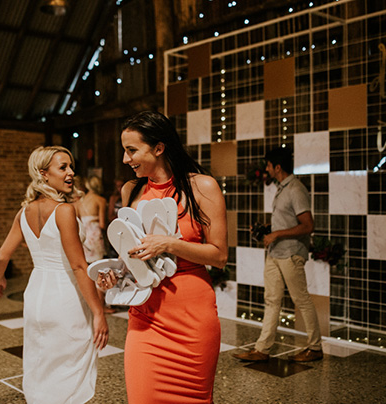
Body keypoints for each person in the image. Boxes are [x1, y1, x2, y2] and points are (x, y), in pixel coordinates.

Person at [98, 111, 228, 403]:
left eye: (132, 150)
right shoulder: (132, 191)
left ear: (158, 148)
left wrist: (169, 244)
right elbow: (132, 255)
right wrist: (116, 275)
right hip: (146, 318)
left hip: (192, 318)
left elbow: (219, 255)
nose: (125, 159)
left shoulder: (202, 187)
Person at [0, 146, 108, 404]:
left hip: (36, 295)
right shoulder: (64, 210)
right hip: (65, 295)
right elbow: (78, 266)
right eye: (63, 167)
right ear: (43, 174)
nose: (71, 172)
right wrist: (99, 312)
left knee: (41, 360)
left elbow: (1, 256)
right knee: (70, 363)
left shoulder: (23, 212)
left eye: (71, 166)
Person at [232, 146, 322, 363]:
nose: (267, 169)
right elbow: (287, 221)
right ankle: (262, 349)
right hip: (275, 253)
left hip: (290, 254)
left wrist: (277, 234)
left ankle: (315, 347)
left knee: (301, 299)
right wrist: (267, 229)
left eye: (269, 166)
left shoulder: (296, 189)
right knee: (271, 300)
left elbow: (308, 225)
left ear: (278, 167)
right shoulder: (282, 188)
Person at [74, 174, 114, 313]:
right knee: (99, 270)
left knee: (87, 269)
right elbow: (102, 224)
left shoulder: (79, 202)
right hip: (96, 237)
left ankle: (89, 304)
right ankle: (101, 305)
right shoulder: (100, 200)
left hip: (84, 238)